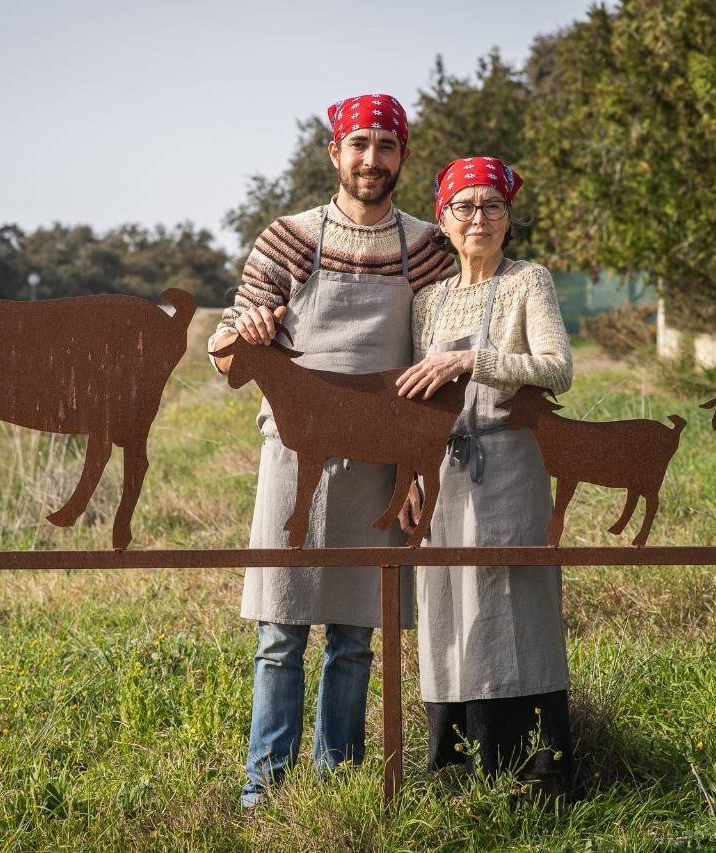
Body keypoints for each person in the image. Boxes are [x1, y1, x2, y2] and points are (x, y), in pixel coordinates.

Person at [208, 93, 456, 808]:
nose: (372, 160)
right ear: (335, 154)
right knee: (280, 632)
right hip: (294, 459)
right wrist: (246, 326)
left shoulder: (428, 247)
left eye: (386, 146)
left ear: (403, 156)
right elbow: (225, 355)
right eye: (359, 145)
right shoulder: (287, 238)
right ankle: (264, 788)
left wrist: (418, 472)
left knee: (355, 635)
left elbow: (438, 360)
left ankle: (338, 782)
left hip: (382, 457)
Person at [395, 156, 575, 791]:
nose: (478, 219)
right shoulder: (426, 301)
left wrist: (472, 361)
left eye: (491, 207)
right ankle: (455, 766)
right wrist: (409, 476)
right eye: (464, 208)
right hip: (441, 470)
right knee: (448, 600)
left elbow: (557, 368)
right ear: (443, 222)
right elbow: (408, 399)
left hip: (509, 461)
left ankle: (536, 769)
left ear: (508, 218)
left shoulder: (530, 282)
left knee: (513, 597)